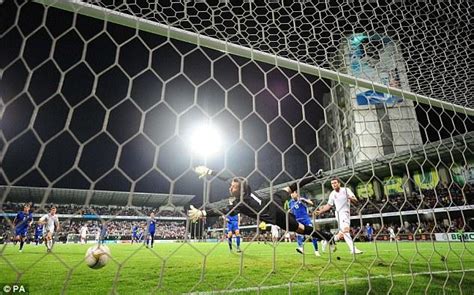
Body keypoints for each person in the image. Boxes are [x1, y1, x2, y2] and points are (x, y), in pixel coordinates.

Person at [188, 166, 334, 245]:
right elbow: (228, 178)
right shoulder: (246, 187)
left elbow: (223, 210)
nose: (230, 188)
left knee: (302, 230)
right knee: (290, 188)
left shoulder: (241, 203)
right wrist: (209, 171)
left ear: (240, 190)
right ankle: (316, 175)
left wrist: (202, 213)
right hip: (273, 200)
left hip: (276, 216)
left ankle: (326, 236)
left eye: (233, 187)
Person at [315, 177, 362, 254]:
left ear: (339, 183)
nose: (334, 185)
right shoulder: (332, 194)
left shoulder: (346, 190)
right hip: (340, 214)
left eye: (335, 183)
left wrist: (350, 198)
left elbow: (356, 201)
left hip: (346, 213)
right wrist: (320, 211)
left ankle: (326, 241)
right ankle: (353, 249)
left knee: (341, 235)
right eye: (332, 184)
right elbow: (329, 205)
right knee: (346, 230)